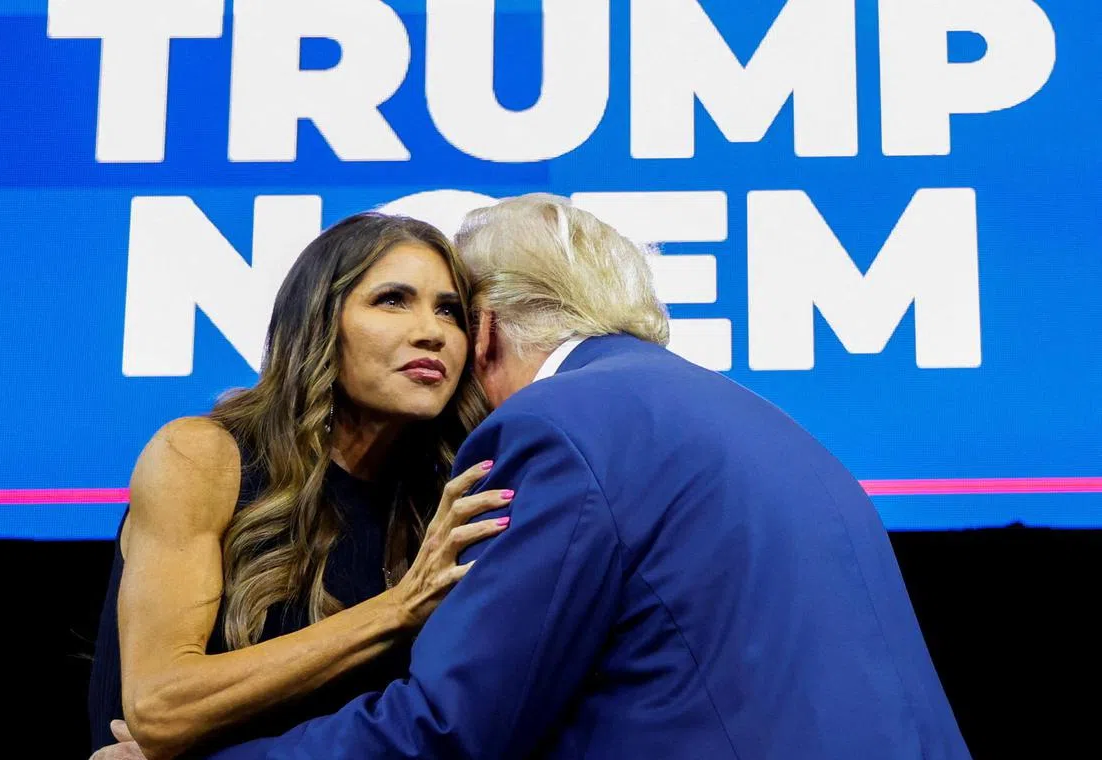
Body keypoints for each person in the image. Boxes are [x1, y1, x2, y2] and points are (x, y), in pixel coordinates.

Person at [209, 193, 972, 759]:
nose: (434, 340)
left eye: (451, 313)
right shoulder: (752, 418)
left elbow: (452, 726)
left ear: (486, 329)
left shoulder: (552, 425)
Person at [87, 212, 513, 759]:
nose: (432, 332)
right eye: (392, 300)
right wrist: (398, 609)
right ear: (319, 322)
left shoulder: (443, 500)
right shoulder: (202, 457)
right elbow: (160, 706)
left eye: (449, 311)